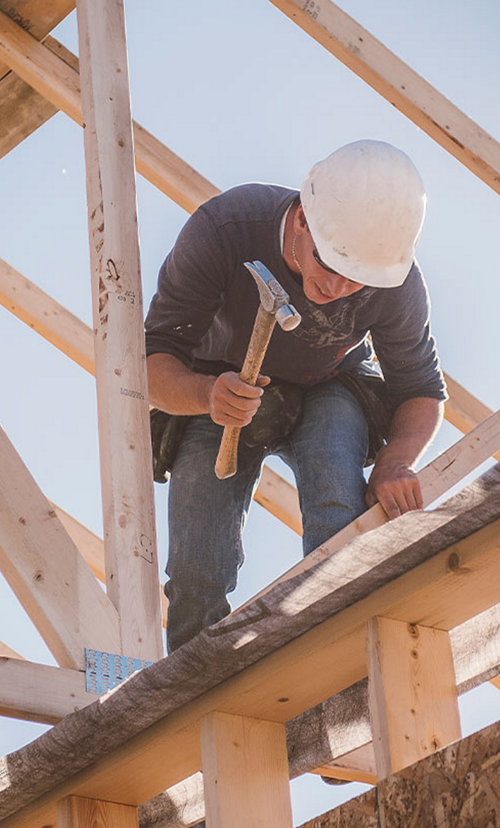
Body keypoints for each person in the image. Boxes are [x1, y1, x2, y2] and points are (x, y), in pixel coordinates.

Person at [145, 140, 446, 652]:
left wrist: (395, 463)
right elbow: (150, 360)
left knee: (339, 529)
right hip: (224, 384)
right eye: (329, 265)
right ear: (303, 219)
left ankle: (340, 658)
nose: (338, 286)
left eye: (358, 280)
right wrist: (205, 395)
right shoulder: (226, 230)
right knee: (198, 566)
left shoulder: (396, 282)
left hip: (332, 387)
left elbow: (420, 390)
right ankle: (195, 699)